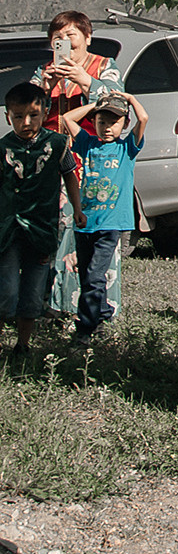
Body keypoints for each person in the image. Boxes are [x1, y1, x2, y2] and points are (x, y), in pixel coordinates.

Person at [38, 12, 124, 320]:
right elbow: (27, 109)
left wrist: (85, 80)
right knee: (54, 232)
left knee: (92, 232)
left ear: (87, 38)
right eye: (57, 37)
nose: (64, 43)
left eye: (71, 35)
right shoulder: (47, 71)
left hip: (94, 166)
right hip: (52, 165)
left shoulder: (104, 66)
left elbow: (116, 100)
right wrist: (45, 89)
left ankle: (94, 309)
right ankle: (52, 305)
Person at [0, 82, 85, 359]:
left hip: (42, 227)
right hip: (8, 229)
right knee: (7, 291)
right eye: (18, 117)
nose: (26, 123)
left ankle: (22, 346)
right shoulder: (3, 149)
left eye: (33, 115)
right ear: (7, 117)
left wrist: (78, 207)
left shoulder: (58, 144)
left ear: (45, 111)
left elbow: (70, 175)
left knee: (33, 293)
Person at [60, 92, 148, 345]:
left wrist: (130, 99)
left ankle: (85, 330)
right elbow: (67, 118)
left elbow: (143, 117)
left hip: (112, 224)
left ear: (124, 124)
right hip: (86, 222)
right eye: (102, 122)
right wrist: (94, 106)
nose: (107, 128)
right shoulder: (88, 143)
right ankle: (103, 315)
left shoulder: (126, 147)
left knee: (95, 276)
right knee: (86, 275)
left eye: (114, 123)